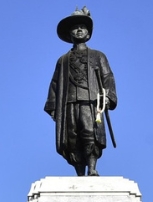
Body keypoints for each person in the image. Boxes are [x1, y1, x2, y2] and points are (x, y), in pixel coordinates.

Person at [44, 7, 117, 177]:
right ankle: (79, 172)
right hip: (68, 102)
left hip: (90, 101)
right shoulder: (62, 60)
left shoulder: (98, 56)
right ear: (70, 34)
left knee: (89, 132)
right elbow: (55, 83)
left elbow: (108, 77)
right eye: (75, 27)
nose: (79, 30)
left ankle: (92, 168)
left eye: (82, 27)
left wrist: (108, 96)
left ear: (88, 33)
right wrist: (53, 106)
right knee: (71, 136)